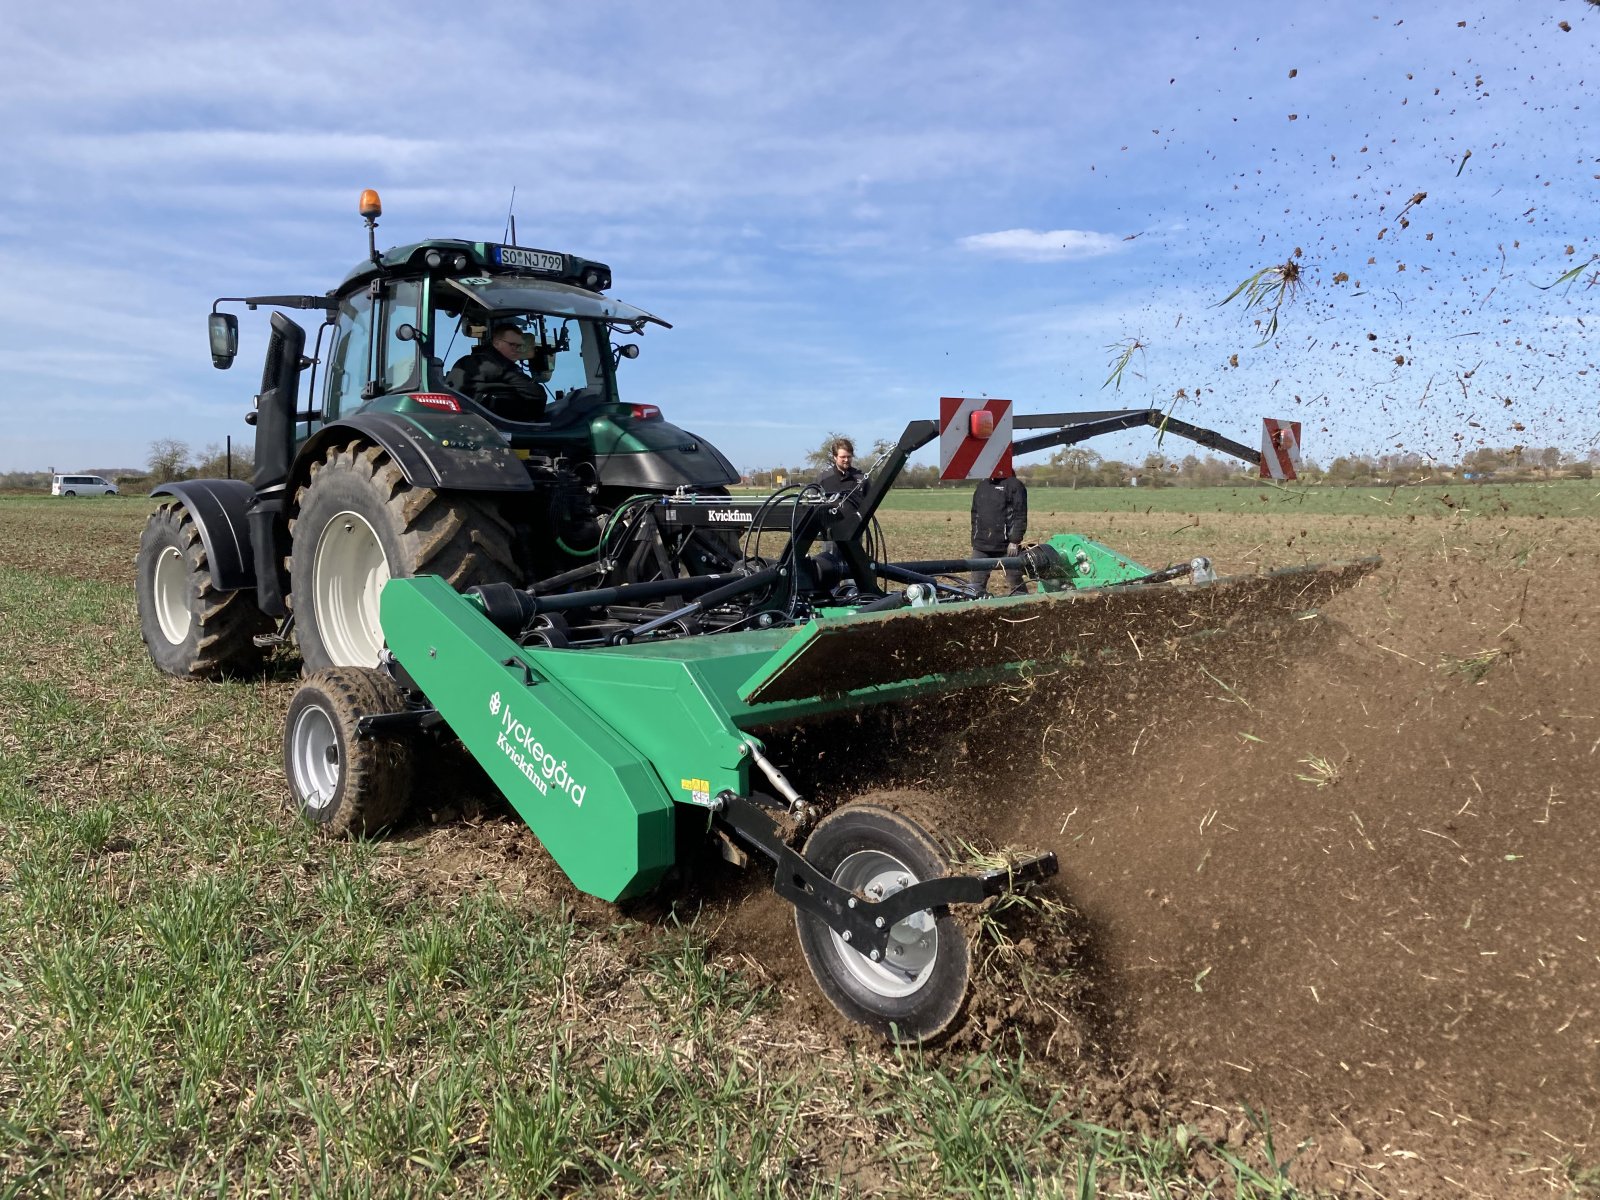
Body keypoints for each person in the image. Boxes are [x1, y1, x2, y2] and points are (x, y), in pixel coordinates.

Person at [445, 321, 547, 422]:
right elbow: (537, 395)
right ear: (497, 343)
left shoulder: (464, 362)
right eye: (512, 345)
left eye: (519, 346)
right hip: (494, 429)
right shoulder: (501, 367)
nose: (516, 350)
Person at [970, 462, 1028, 594]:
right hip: (981, 546)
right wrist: (974, 539)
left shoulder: (1014, 485)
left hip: (1007, 546)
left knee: (1015, 580)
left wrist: (1014, 541)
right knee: (975, 585)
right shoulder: (982, 486)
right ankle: (974, 608)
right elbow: (975, 514)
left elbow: (1020, 515)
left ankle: (1024, 605)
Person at [812, 437, 866, 560]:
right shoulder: (823, 478)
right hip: (831, 534)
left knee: (852, 572)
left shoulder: (861, 478)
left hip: (854, 533)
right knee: (830, 569)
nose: (846, 460)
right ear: (835, 457)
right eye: (843, 457)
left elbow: (869, 503)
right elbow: (812, 503)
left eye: (849, 456)